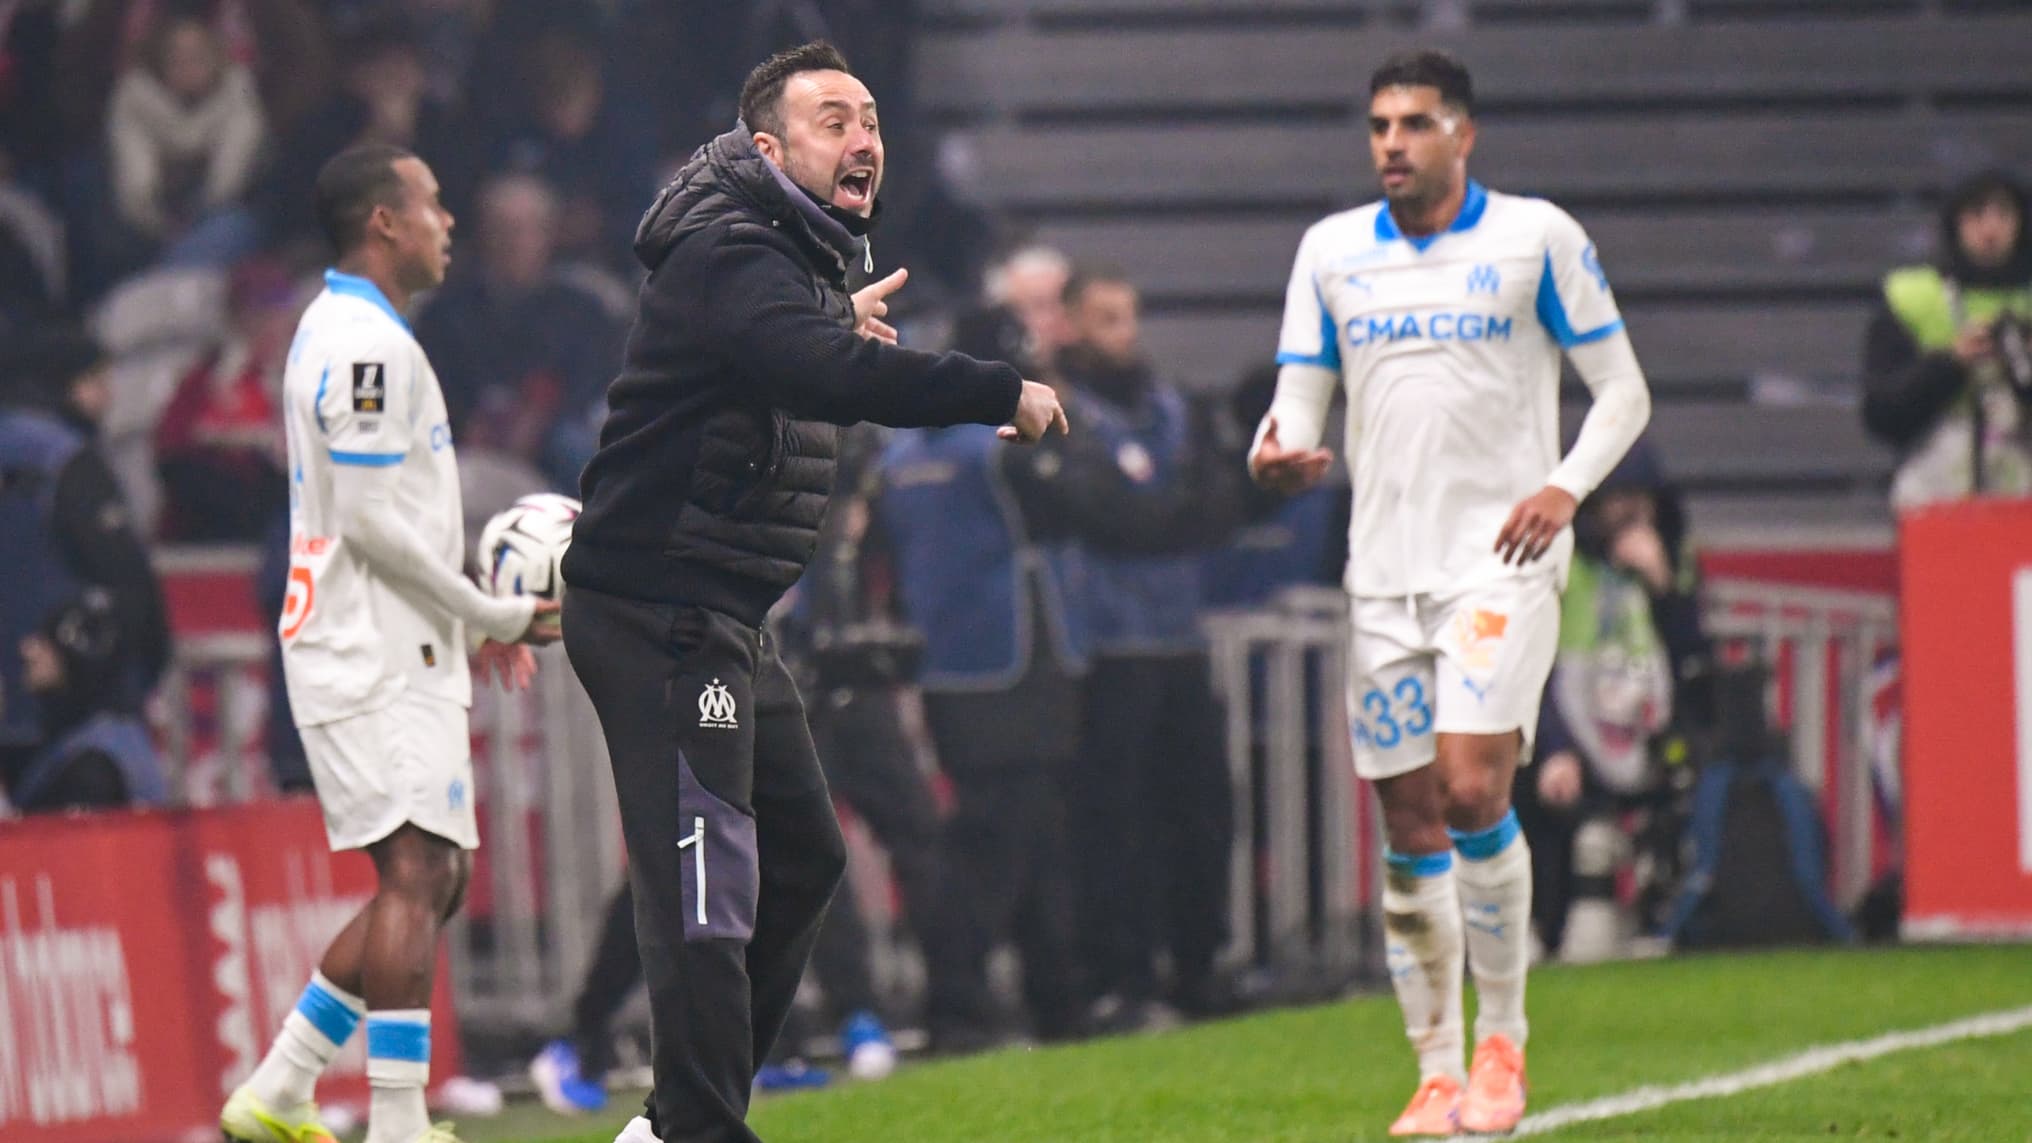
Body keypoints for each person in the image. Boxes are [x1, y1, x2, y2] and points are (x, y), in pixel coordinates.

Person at [557, 41, 1066, 1143]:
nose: (863, 139)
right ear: (767, 149)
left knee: (803, 859)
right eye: (833, 120)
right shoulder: (730, 251)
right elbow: (827, 373)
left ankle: (676, 1122)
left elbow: (796, 362)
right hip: (658, 610)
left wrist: (828, 325)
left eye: (870, 119)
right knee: (706, 885)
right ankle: (698, 1126)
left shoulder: (784, 266)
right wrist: (995, 389)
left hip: (721, 615)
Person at [1247, 50, 1651, 1137]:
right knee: (1409, 819)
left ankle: (1501, 1040)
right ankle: (1434, 1070)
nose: (1392, 142)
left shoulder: (1535, 237)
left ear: (1461, 135)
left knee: (1473, 788)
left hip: (1499, 561)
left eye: (1414, 123)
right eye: (1380, 124)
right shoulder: (1331, 251)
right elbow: (1297, 402)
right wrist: (1274, 455)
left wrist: (1564, 489)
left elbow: (1622, 392)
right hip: (1383, 574)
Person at [219, 143, 561, 1143]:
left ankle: (281, 1089)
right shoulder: (364, 345)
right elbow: (368, 522)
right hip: (366, 645)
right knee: (417, 873)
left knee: (434, 877)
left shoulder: (357, 333)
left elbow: (385, 515)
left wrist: (461, 618)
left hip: (388, 638)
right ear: (384, 222)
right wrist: (485, 610)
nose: (447, 223)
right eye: (433, 204)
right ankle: (402, 1126)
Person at [1051, 266, 1240, 1026]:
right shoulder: (1062, 408)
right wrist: (1168, 512)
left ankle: (1200, 964)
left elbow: (1215, 506)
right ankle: (1121, 974)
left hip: (1178, 635)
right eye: (1106, 318)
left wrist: (1156, 513)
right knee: (1114, 818)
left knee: (1201, 810)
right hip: (1107, 643)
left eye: (1128, 316)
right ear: (1071, 323)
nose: (1123, 334)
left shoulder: (1172, 406)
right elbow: (1103, 510)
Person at [0, 327, 171, 811]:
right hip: (68, 714)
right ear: (67, 385)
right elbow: (132, 588)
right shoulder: (61, 459)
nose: (107, 396)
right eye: (97, 381)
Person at [1862, 168, 2032, 511]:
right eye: (1977, 214)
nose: (1990, 229)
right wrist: (1950, 363)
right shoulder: (1912, 297)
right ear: (1955, 222)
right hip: (1934, 496)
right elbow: (1881, 414)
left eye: (2003, 214)